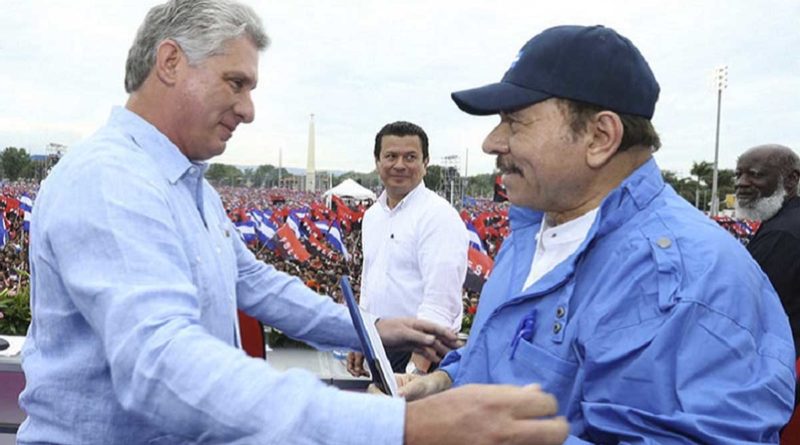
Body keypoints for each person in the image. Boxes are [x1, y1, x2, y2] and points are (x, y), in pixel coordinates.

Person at [17, 1, 569, 444]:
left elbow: (254, 283)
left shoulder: (186, 186)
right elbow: (160, 367)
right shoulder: (112, 182)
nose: (249, 109)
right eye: (237, 83)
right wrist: (402, 428)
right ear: (170, 63)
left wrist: (370, 328)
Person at [395, 25, 795, 443]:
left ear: (600, 137)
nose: (491, 142)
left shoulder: (685, 278)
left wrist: (479, 433)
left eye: (514, 122)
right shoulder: (533, 228)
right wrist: (444, 383)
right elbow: (502, 355)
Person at [348, 121, 468, 375]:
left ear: (426, 163)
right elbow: (370, 286)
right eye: (391, 156)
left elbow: (440, 300)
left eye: (410, 157)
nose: (399, 165)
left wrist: (416, 370)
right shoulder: (372, 216)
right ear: (377, 162)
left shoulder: (438, 216)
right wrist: (361, 337)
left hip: (423, 355)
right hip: (382, 345)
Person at [736, 144, 800, 355]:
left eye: (755, 175)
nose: (741, 183)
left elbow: (751, 303)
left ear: (791, 179)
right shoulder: (785, 221)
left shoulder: (782, 234)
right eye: (739, 174)